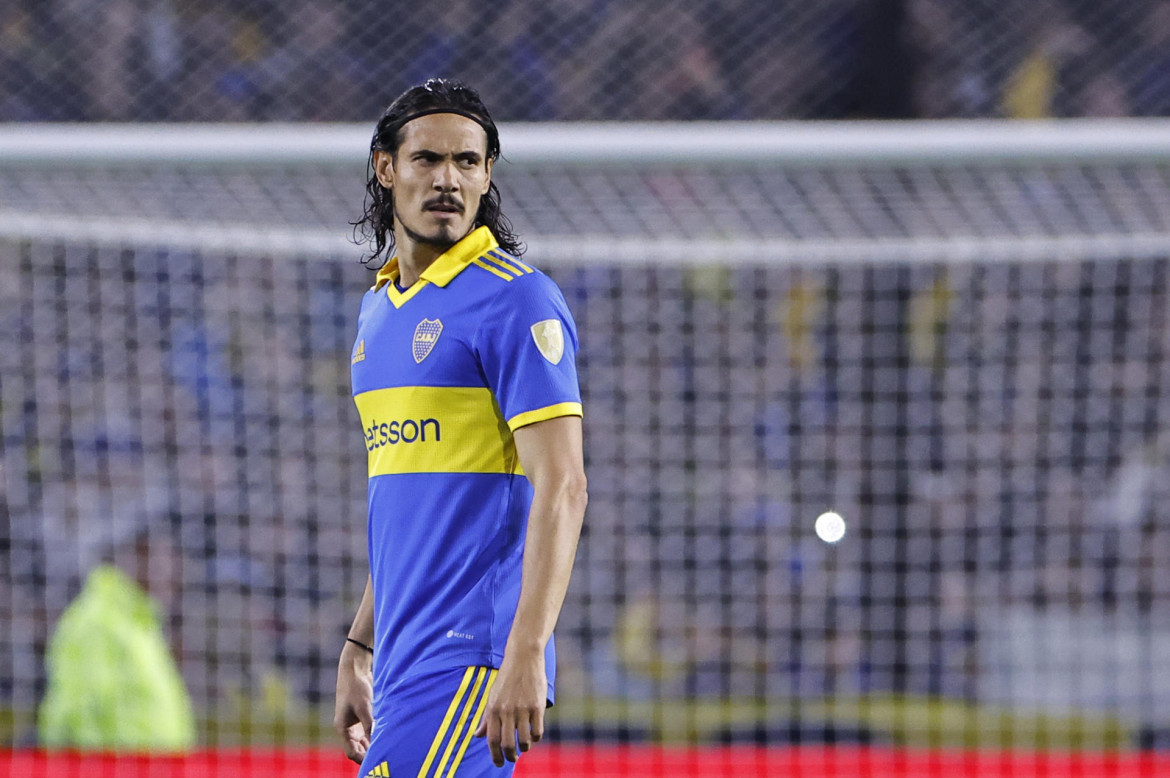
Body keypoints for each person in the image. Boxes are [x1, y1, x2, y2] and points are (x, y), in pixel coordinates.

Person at [334, 78, 588, 776]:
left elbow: (564, 486)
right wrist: (362, 648)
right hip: (402, 663)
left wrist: (525, 652)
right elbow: (410, 511)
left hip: (473, 658)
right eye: (427, 160)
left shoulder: (514, 299)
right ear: (387, 169)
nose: (449, 179)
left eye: (467, 162)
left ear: (486, 176)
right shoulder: (377, 315)